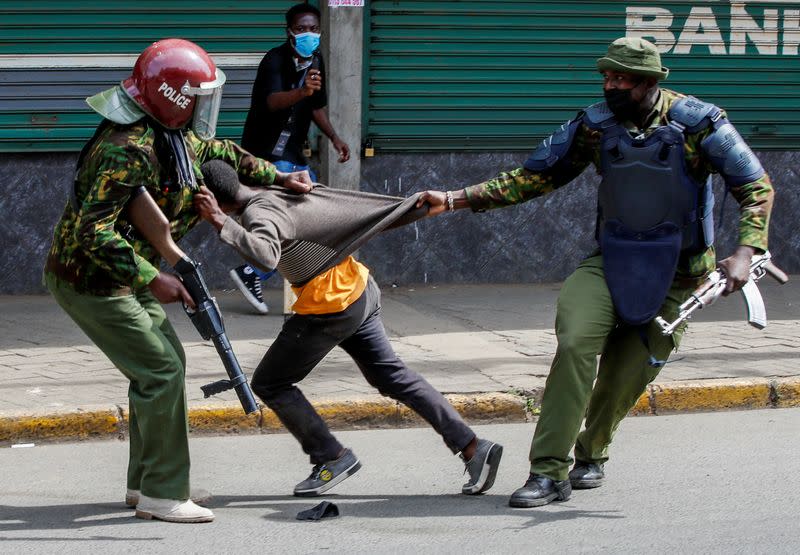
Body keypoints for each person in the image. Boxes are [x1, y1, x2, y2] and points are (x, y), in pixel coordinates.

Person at [417, 37, 774, 508]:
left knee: (625, 376)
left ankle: (592, 453)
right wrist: (455, 198)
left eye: (620, 78)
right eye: (606, 76)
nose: (609, 85)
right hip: (612, 263)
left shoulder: (700, 123)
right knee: (575, 342)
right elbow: (534, 177)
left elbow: (756, 185)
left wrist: (747, 251)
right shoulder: (595, 126)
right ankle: (548, 472)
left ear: (648, 82)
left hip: (680, 275)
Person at [43, 38, 311, 523]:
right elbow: (91, 231)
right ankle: (163, 494)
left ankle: (145, 482)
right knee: (161, 370)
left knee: (167, 363)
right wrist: (154, 279)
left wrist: (278, 177)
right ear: (176, 97)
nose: (206, 105)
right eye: (199, 96)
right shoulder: (126, 149)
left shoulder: (172, 133)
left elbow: (222, 151)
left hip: (122, 274)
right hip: (89, 278)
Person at [194, 159, 503, 497]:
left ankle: (331, 457)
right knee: (391, 375)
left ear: (211, 198)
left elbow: (266, 257)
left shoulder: (258, 214)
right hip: (358, 289)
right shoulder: (275, 191)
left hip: (330, 306)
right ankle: (473, 447)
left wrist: (220, 221)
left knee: (271, 382)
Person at [231, 2, 351, 314]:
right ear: (289, 31)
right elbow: (271, 102)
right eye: (301, 29)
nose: (308, 34)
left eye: (313, 28)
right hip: (267, 154)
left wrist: (335, 137)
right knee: (286, 221)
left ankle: (300, 283)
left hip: (294, 151)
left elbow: (315, 106)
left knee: (310, 218)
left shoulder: (317, 60)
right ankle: (253, 271)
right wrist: (302, 91)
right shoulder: (274, 60)